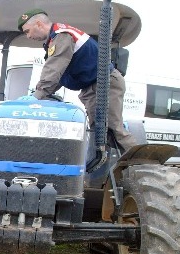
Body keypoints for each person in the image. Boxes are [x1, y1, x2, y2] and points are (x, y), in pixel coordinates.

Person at [18, 9, 137, 152]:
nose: (28, 36)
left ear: (38, 23)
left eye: (27, 31)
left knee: (112, 129)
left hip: (104, 84)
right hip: (93, 87)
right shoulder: (57, 37)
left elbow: (54, 68)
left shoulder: (62, 36)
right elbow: (59, 75)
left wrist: (38, 95)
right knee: (99, 134)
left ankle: (141, 164)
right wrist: (40, 95)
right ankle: (101, 170)